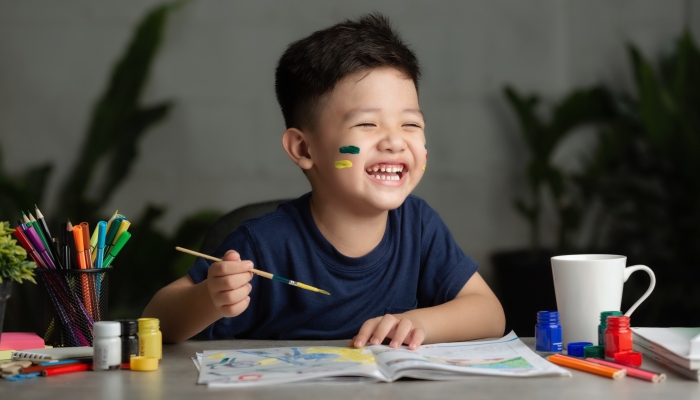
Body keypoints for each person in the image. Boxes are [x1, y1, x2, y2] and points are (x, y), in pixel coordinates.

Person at [143, 13, 505, 348]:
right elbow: (155, 321)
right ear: (303, 148)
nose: (395, 141)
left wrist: (420, 324)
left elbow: (490, 313)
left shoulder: (420, 227)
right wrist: (209, 298)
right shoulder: (263, 246)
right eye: (367, 124)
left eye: (411, 124)